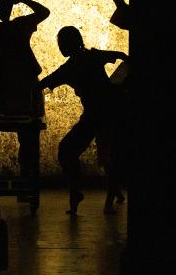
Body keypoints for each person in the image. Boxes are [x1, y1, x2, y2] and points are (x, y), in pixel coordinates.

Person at [39, 26, 127, 215]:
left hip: (98, 116)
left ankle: (79, 192)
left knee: (69, 151)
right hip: (109, 111)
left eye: (61, 43)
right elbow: (121, 55)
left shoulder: (70, 67)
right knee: (108, 156)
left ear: (68, 44)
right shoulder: (93, 55)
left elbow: (44, 83)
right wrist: (122, 82)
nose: (59, 47)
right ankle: (111, 197)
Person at [0, 0, 50, 179]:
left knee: (26, 136)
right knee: (29, 137)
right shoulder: (18, 27)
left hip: (4, 95)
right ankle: (27, 181)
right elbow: (44, 12)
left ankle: (25, 180)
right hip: (26, 90)